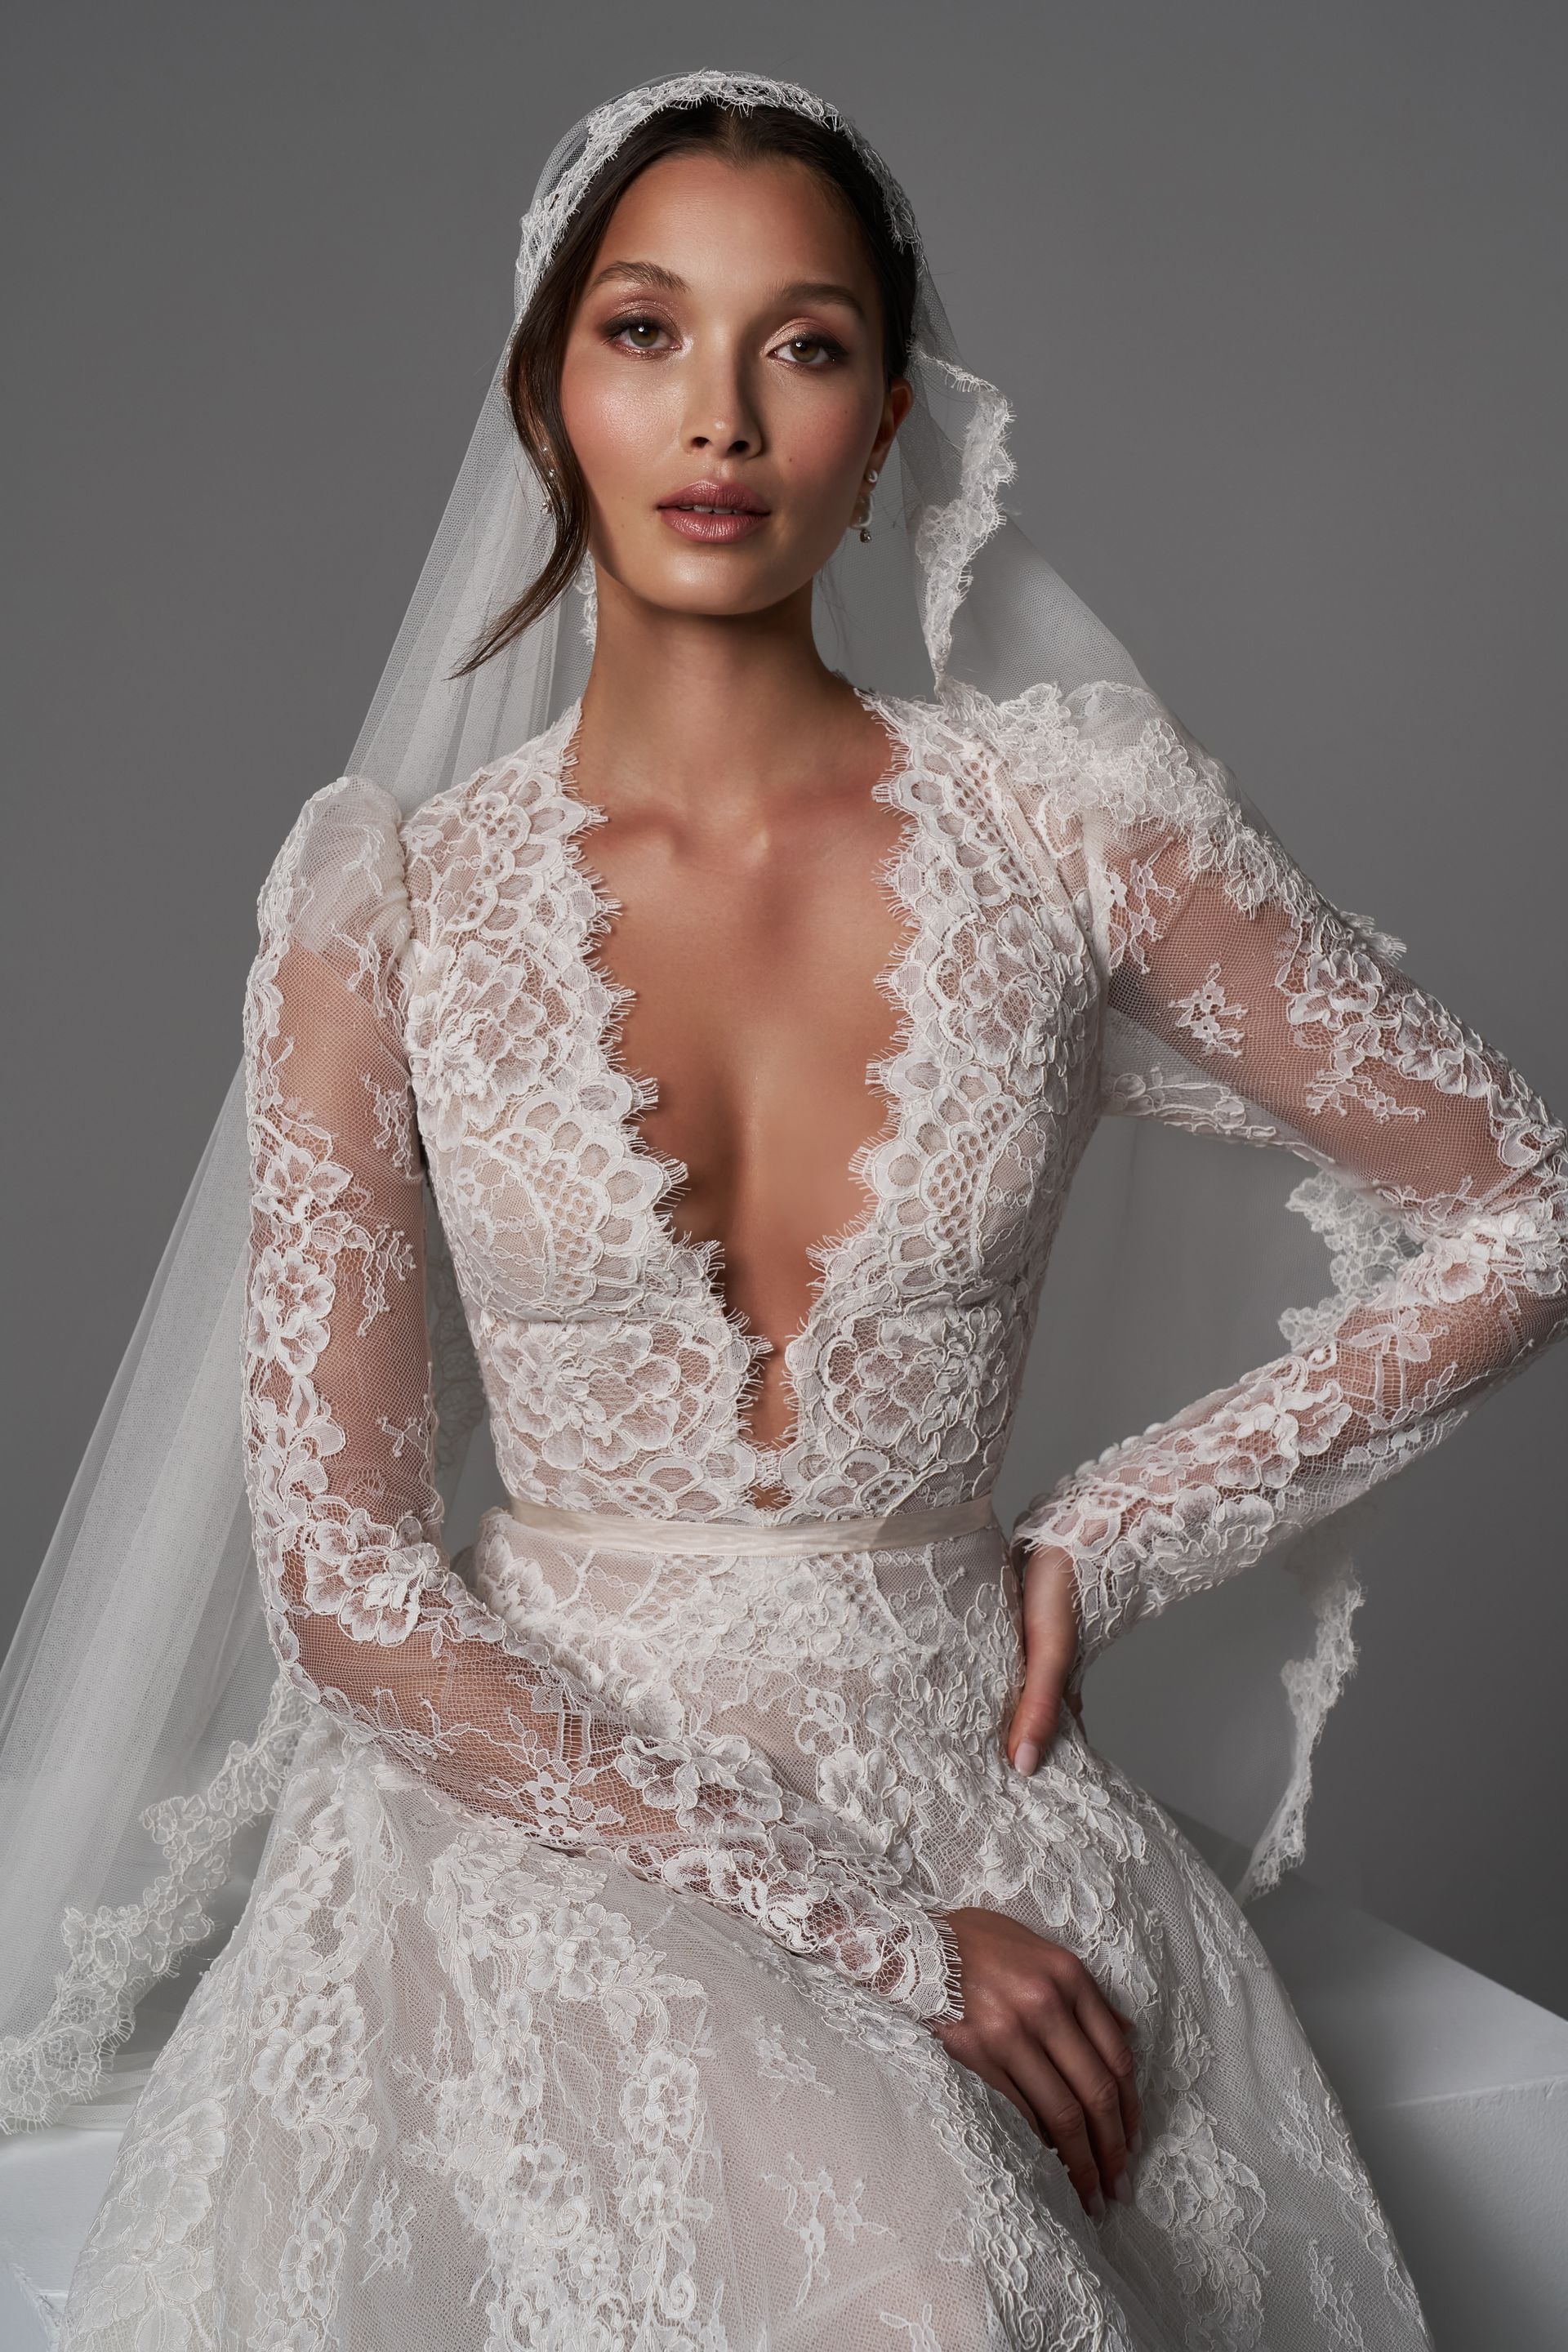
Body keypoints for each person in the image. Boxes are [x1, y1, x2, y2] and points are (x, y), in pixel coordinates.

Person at [11, 69, 1564, 2349]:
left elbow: (1527, 1206)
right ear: (545, 397)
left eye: (803, 345)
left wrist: (1111, 1539)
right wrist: (886, 1945)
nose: (719, 415)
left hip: (964, 1771)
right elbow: (345, 1582)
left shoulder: (1066, 824)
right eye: (644, 332)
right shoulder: (384, 903)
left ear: (891, 419)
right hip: (532, 1823)